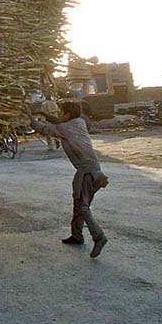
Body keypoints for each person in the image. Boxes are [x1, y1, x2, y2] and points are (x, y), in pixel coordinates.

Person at [27, 100, 109, 258]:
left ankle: (99, 237)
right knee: (79, 205)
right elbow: (58, 121)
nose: (59, 114)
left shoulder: (66, 128)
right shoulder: (79, 122)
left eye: (61, 112)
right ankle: (77, 236)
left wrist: (29, 115)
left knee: (82, 207)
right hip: (94, 171)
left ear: (68, 114)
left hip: (86, 173)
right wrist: (44, 114)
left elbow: (41, 128)